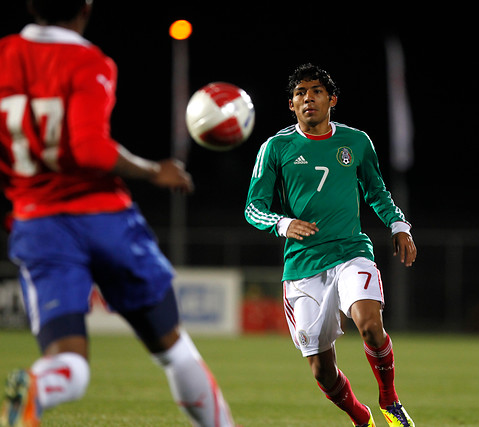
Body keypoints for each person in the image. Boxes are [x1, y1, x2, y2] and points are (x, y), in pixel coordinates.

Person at [0, 1, 235, 426]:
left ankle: (39, 385)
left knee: (69, 363)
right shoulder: (88, 61)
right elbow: (89, 149)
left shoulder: (3, 55)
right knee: (174, 350)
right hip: (105, 219)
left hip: (39, 223)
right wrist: (153, 170)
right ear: (86, 8)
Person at [245, 63, 417, 427]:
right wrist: (283, 222)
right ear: (291, 105)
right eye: (300, 94)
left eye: (316, 91)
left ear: (332, 99)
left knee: (370, 324)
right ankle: (361, 417)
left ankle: (390, 400)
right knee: (323, 371)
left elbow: (377, 192)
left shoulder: (356, 142)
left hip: (350, 252)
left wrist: (399, 224)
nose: (308, 98)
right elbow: (253, 208)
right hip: (303, 268)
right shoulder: (276, 148)